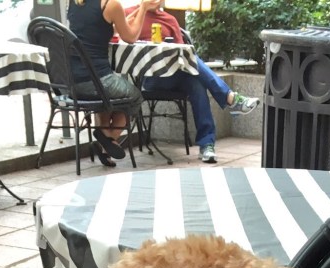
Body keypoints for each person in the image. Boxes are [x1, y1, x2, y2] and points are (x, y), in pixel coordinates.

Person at [124, 4, 260, 164]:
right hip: (151, 78)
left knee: (196, 82)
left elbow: (185, 55)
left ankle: (207, 145)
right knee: (195, 72)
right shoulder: (130, 14)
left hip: (175, 76)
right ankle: (230, 99)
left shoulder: (169, 20)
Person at [67, 0, 163, 166]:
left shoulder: (75, 2)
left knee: (107, 99)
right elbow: (131, 37)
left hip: (71, 81)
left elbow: (98, 27)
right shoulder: (111, 5)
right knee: (135, 96)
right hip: (97, 80)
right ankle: (109, 139)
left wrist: (131, 14)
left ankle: (106, 145)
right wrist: (144, 8)